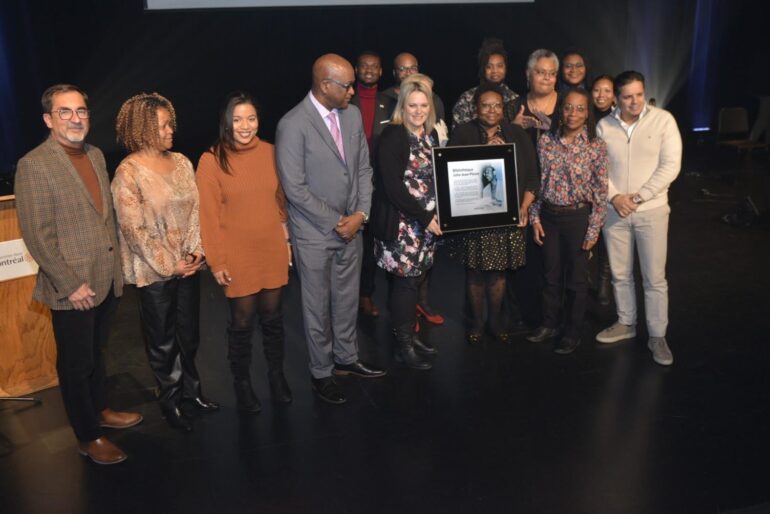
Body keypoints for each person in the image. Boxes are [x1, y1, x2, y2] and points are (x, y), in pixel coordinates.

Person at [15, 84, 142, 465]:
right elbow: (37, 235)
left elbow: (103, 219)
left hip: (105, 279)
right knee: (75, 363)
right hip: (72, 287)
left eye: (81, 111)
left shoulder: (97, 155)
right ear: (48, 119)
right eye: (65, 112)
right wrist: (70, 285)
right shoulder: (34, 165)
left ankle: (100, 410)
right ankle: (88, 437)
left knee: (96, 355)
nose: (75, 118)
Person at [276, 53, 386, 406]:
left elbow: (364, 170)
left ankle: (345, 358)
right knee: (316, 305)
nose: (354, 90)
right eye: (347, 85)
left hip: (352, 227)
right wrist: (336, 221)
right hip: (315, 232)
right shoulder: (293, 124)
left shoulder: (351, 116)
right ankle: (321, 371)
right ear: (325, 85)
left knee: (346, 297)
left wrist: (361, 214)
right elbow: (294, 188)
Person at [112, 92, 216, 432]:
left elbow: (196, 212)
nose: (171, 130)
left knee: (189, 334)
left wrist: (195, 252)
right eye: (163, 125)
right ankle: (170, 401)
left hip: (188, 266)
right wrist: (169, 264)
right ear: (142, 129)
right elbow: (133, 229)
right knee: (163, 341)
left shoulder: (183, 162)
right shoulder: (128, 172)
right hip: (155, 272)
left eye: (170, 123)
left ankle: (192, 394)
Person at [196, 92, 293, 412]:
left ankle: (276, 376)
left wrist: (284, 231)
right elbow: (207, 215)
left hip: (271, 248)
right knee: (241, 322)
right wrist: (216, 260)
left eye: (251, 118)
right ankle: (242, 382)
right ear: (227, 121)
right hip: (236, 253)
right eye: (237, 119)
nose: (245, 126)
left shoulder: (272, 152)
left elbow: (281, 199)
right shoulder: (211, 159)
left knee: (274, 319)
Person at [595, 71, 682, 366]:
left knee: (654, 278)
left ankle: (657, 335)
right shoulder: (604, 126)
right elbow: (598, 169)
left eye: (639, 94)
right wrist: (616, 197)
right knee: (620, 274)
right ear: (616, 99)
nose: (635, 102)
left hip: (652, 211)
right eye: (628, 96)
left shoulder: (663, 120)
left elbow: (671, 165)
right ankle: (626, 323)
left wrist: (639, 197)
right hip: (614, 211)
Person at [447, 82, 538, 345]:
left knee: (498, 273)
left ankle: (495, 320)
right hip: (473, 218)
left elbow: (533, 177)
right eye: (485, 105)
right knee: (474, 273)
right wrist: (486, 150)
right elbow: (450, 173)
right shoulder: (463, 133)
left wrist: (523, 208)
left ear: (503, 109)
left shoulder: (516, 134)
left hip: (506, 218)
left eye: (497, 105)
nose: (491, 110)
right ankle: (477, 321)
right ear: (476, 108)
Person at [527, 88, 608, 354]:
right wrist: (535, 216)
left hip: (578, 218)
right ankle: (549, 324)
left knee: (576, 280)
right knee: (550, 277)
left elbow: (600, 191)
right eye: (568, 107)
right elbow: (539, 183)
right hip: (549, 216)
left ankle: (572, 332)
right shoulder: (546, 141)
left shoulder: (596, 145)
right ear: (561, 110)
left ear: (588, 113)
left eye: (580, 108)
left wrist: (593, 229)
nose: (573, 113)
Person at [371, 76, 442, 369]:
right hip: (402, 225)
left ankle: (411, 339)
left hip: (426, 224)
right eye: (412, 105)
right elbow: (392, 187)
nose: (418, 110)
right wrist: (425, 218)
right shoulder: (392, 136)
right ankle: (403, 345)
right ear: (402, 106)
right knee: (405, 284)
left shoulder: (431, 135)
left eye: (423, 105)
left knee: (416, 281)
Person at [350, 50, 389, 319]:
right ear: (356, 69)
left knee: (371, 243)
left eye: (374, 66)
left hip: (380, 183)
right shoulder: (344, 99)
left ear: (381, 71)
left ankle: (366, 295)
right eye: (364, 66)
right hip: (349, 182)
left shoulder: (391, 101)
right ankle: (345, 298)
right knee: (350, 243)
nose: (369, 70)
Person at [452, 37, 519, 130]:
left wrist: (515, 127)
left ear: (506, 68)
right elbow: (459, 135)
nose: (495, 71)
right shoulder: (467, 98)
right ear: (482, 69)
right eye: (489, 67)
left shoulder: (514, 99)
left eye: (499, 66)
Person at [590, 74, 616, 305]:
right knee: (588, 238)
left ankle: (603, 286)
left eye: (607, 90)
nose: (601, 95)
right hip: (586, 185)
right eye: (597, 90)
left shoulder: (620, 119)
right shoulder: (584, 115)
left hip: (612, 185)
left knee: (607, 240)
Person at [512, 48, 561, 145]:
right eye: (541, 72)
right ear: (528, 73)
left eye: (552, 73)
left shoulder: (567, 105)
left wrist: (557, 130)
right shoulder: (513, 107)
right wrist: (513, 128)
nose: (547, 78)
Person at [381, 52, 446, 123]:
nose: (408, 73)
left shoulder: (432, 98)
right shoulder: (383, 98)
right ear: (394, 72)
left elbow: (440, 127)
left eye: (413, 68)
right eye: (402, 69)